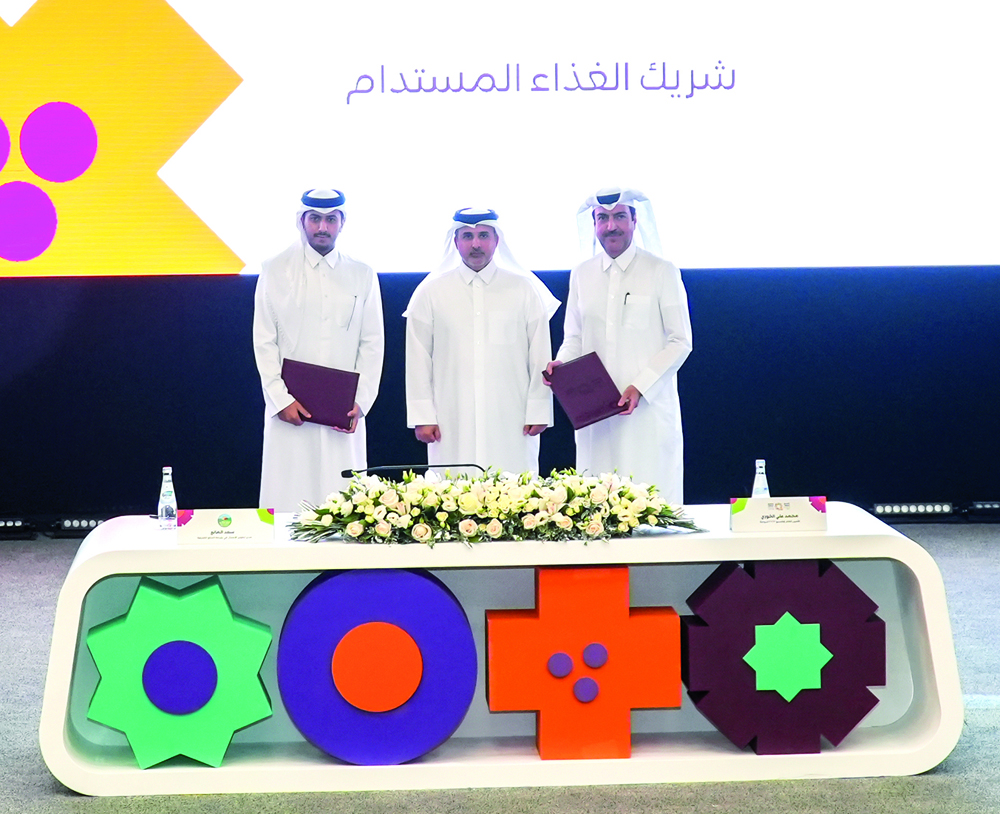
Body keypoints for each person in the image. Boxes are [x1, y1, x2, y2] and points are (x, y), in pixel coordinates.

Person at [548, 187, 692, 505]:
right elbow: (573, 338)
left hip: (647, 413)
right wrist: (561, 366)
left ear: (635, 220)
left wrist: (640, 386)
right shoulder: (582, 274)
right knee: (597, 507)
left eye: (618, 217)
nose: (611, 226)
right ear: (594, 223)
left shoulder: (661, 270)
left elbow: (680, 340)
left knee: (650, 509)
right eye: (602, 218)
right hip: (595, 414)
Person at [253, 189, 384, 511]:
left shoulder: (362, 273)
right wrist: (280, 399)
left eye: (330, 219)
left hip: (345, 414)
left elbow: (372, 343)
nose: (322, 227)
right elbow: (264, 341)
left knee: (347, 505)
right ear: (301, 221)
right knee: (285, 502)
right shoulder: (275, 269)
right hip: (289, 413)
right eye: (314, 218)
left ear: (342, 223)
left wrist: (361, 401)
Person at [404, 208, 559, 476]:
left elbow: (540, 356)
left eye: (483, 235)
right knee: (451, 499)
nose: (475, 244)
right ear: (455, 241)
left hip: (511, 417)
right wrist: (423, 417)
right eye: (467, 236)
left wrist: (539, 410)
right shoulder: (431, 292)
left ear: (497, 240)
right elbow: (418, 359)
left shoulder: (523, 289)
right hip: (451, 418)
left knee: (515, 496)